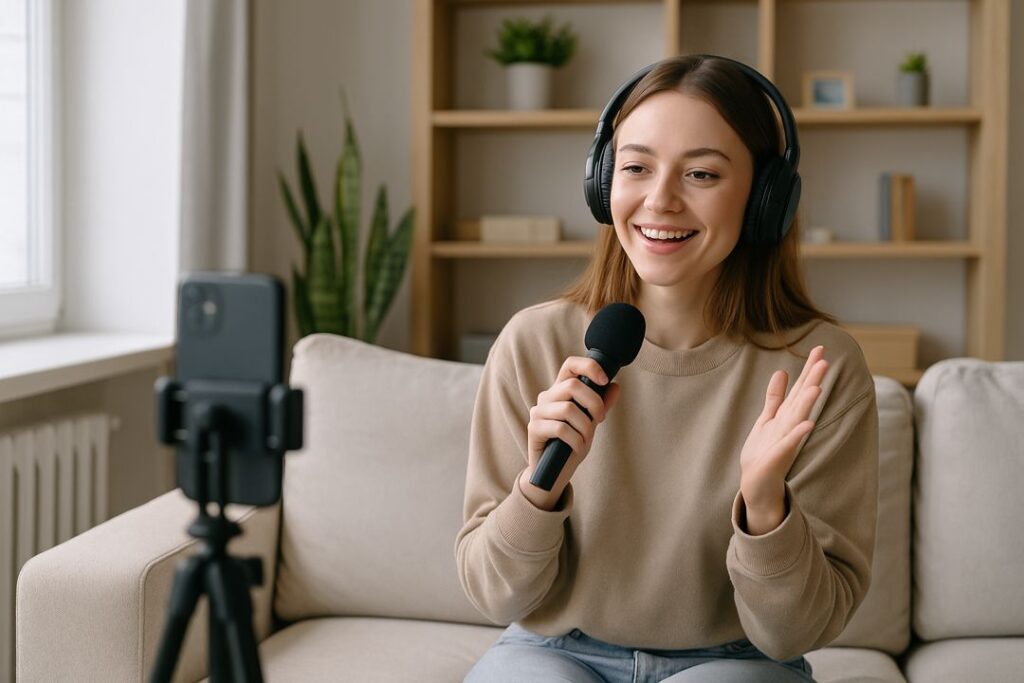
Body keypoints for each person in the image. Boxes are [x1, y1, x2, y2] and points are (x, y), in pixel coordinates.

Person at [455, 54, 878, 683]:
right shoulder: (534, 343)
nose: (660, 200)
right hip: (554, 651)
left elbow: (797, 631)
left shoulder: (820, 368)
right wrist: (538, 491)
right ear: (603, 183)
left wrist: (766, 509)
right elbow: (494, 596)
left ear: (767, 199)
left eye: (702, 173)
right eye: (635, 167)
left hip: (735, 660)